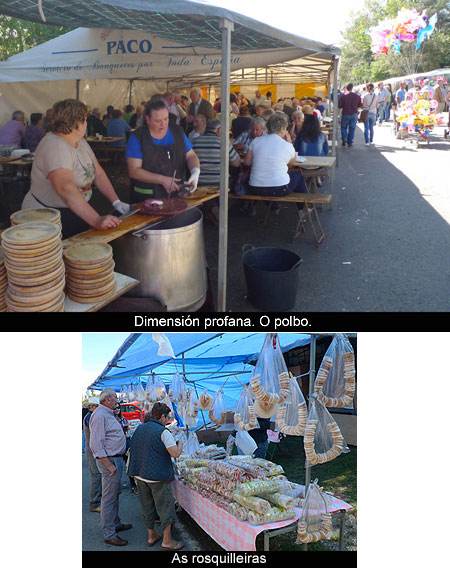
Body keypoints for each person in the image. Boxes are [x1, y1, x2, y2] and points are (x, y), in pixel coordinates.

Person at [21, 99, 124, 239]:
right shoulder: (55, 146)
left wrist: (116, 201)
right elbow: (66, 189)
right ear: (77, 125)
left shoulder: (79, 140)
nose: (86, 124)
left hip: (76, 211)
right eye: (85, 120)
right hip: (49, 217)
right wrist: (96, 220)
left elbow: (98, 172)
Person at [128, 402, 184, 551]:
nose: (167, 421)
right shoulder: (163, 432)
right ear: (162, 416)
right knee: (165, 508)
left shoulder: (140, 428)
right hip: (157, 477)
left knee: (147, 506)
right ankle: (167, 541)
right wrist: (180, 444)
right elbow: (175, 454)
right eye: (167, 418)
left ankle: (151, 535)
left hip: (139, 474)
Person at [126, 99, 201, 202]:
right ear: (147, 119)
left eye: (166, 119)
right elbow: (134, 171)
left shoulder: (177, 132)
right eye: (158, 121)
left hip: (177, 196)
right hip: (147, 198)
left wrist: (195, 171)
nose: (163, 124)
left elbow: (191, 156)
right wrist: (162, 179)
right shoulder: (137, 137)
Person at [89, 388, 132, 547]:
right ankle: (109, 534)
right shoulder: (99, 415)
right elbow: (95, 444)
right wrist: (108, 465)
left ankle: (116, 523)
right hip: (110, 461)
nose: (117, 399)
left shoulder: (107, 413)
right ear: (107, 399)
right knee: (108, 498)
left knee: (114, 494)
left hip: (115, 459)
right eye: (115, 397)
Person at [244, 113, 307, 215]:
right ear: (283, 128)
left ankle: (275, 207)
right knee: (298, 175)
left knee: (267, 184)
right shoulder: (287, 145)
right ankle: (301, 208)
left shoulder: (256, 141)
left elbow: (247, 163)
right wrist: (290, 142)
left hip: (255, 187)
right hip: (279, 188)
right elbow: (291, 163)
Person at [193, 118, 241, 186]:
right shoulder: (224, 142)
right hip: (220, 182)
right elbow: (236, 163)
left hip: (199, 181)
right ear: (219, 130)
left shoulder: (195, 142)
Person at [113, 403, 138, 495]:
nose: (117, 410)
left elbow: (128, 430)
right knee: (117, 468)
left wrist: (129, 434)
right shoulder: (111, 420)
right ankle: (116, 488)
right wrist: (124, 435)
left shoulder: (123, 419)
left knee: (130, 465)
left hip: (127, 445)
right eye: (115, 408)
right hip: (117, 447)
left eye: (118, 408)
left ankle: (133, 485)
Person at [83, 396, 102, 513]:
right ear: (92, 406)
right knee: (96, 475)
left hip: (92, 448)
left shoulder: (90, 416)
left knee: (97, 475)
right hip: (91, 449)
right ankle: (94, 503)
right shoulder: (90, 417)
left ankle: (97, 501)